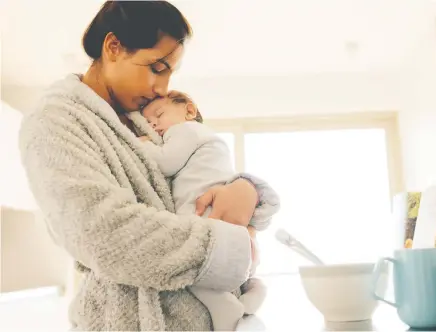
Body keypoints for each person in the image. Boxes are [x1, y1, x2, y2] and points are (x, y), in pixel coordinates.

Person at [18, 1, 280, 331]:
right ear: (113, 47)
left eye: (170, 73)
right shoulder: (55, 121)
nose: (163, 88)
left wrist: (245, 189)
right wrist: (229, 246)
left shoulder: (142, 119)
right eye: (157, 68)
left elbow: (194, 177)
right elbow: (102, 233)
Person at [134, 91, 270, 330]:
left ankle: (225, 307)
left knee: (195, 274)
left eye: (159, 114)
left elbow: (166, 163)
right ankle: (255, 291)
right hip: (229, 228)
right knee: (243, 275)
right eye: (147, 122)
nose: (153, 123)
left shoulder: (186, 130)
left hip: (207, 215)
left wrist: (138, 143)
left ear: (189, 111)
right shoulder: (207, 141)